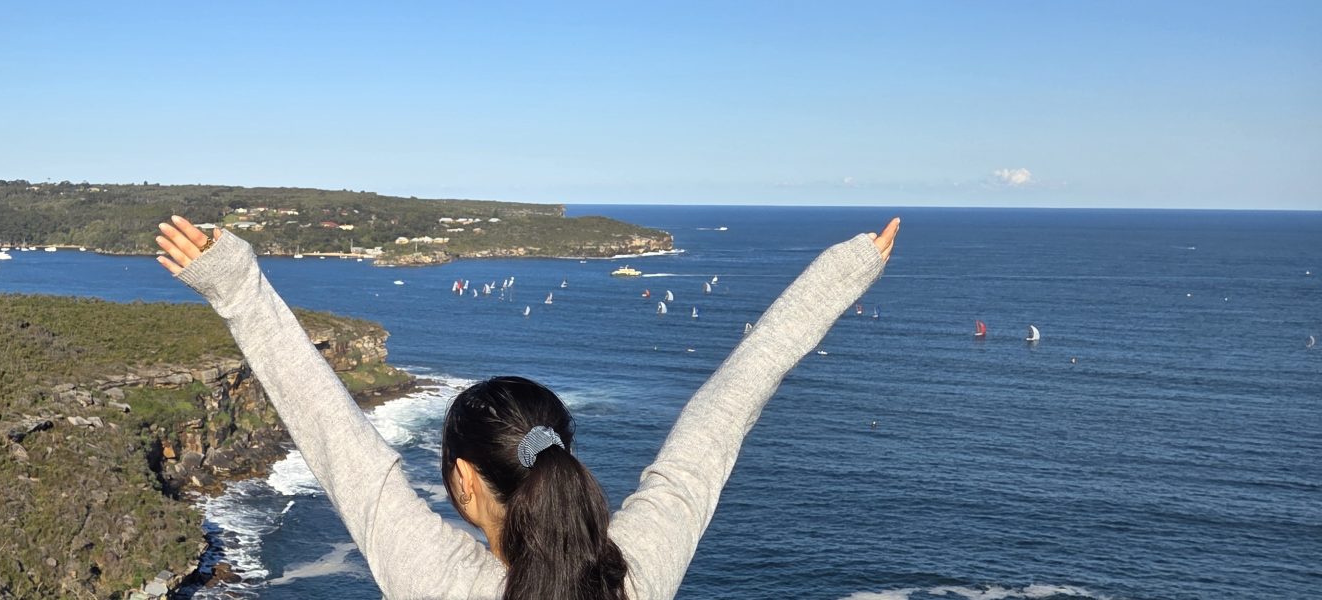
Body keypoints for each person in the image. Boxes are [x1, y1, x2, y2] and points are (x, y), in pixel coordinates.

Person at [156, 215, 898, 599]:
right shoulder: (636, 578)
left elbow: (335, 437)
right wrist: (839, 278)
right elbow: (720, 418)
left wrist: (238, 288)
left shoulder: (437, 580)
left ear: (463, 482)